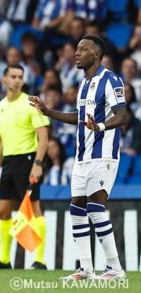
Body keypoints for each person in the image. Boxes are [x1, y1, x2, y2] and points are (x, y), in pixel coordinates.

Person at [29, 35, 129, 280]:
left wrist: (101, 128)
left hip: (103, 154)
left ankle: (115, 268)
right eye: (76, 49)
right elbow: (79, 117)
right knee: (76, 209)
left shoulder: (111, 80)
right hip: (82, 156)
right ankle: (85, 268)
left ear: (96, 54)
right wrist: (47, 111)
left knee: (95, 208)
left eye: (82, 49)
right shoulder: (84, 84)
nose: (76, 53)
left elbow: (123, 115)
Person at [0, 64, 49, 270]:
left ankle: (40, 260)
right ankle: (4, 260)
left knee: (34, 208)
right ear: (4, 80)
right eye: (13, 76)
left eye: (20, 76)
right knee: (3, 211)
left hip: (27, 160)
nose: (17, 80)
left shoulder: (30, 103)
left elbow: (43, 137)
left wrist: (37, 164)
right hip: (9, 163)